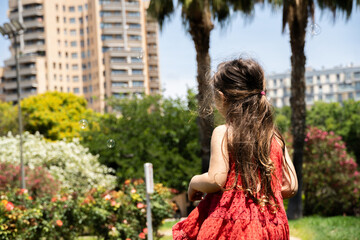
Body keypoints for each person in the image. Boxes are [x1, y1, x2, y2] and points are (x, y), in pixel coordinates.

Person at [172, 57, 298, 240]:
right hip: (271, 226)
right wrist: (261, 192)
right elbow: (290, 185)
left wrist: (194, 182)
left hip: (233, 228)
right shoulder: (274, 136)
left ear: (222, 97)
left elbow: (215, 179)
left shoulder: (223, 132)